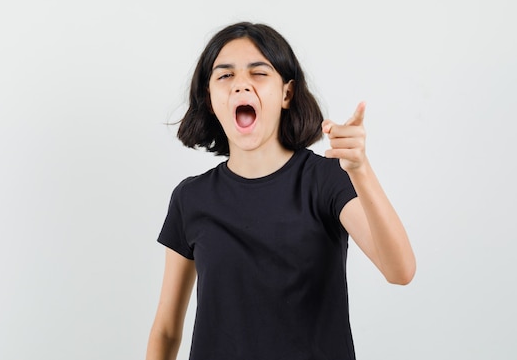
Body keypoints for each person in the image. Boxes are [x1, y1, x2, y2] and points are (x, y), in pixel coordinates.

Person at [146, 22, 415, 360]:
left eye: (258, 73)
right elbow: (167, 330)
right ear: (210, 98)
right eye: (225, 76)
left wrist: (361, 170)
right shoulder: (190, 198)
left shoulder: (326, 180)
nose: (241, 85)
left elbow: (400, 271)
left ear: (286, 94)